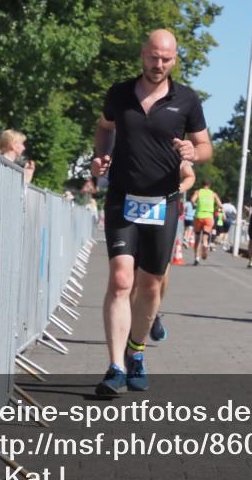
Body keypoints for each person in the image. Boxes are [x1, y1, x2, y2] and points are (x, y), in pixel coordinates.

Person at [90, 29, 211, 396]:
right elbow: (104, 126)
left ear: (175, 60)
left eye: (166, 59)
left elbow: (205, 147)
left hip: (164, 201)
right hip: (123, 197)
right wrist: (101, 156)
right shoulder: (120, 93)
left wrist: (193, 152)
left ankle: (137, 352)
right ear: (142, 54)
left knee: (151, 284)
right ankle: (114, 366)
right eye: (153, 57)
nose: (158, 65)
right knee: (121, 278)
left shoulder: (187, 100)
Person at [146, 160, 196, 344]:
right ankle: (131, 323)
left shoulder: (173, 152)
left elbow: (189, 174)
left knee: (161, 275)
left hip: (163, 213)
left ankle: (153, 312)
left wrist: (178, 187)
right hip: (134, 212)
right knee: (128, 275)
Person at [190, 181, 222, 265]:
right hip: (209, 217)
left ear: (202, 185)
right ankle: (205, 245)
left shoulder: (198, 192)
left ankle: (196, 258)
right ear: (209, 186)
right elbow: (220, 205)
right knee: (205, 237)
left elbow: (192, 200)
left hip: (199, 216)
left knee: (197, 238)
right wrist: (218, 210)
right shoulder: (213, 194)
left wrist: (194, 205)